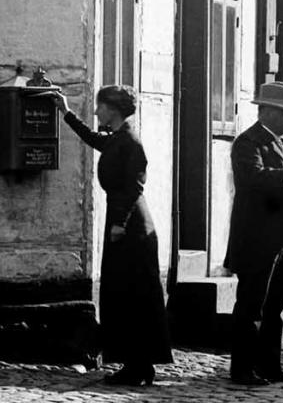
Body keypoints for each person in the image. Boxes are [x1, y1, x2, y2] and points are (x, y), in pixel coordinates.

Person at [49, 85, 172, 386]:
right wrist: (66, 112)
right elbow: (93, 139)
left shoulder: (130, 141)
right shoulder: (119, 138)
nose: (96, 111)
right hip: (125, 224)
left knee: (131, 295)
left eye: (100, 106)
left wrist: (119, 222)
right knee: (125, 294)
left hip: (130, 227)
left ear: (113, 109)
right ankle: (139, 364)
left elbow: (134, 186)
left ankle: (137, 365)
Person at [224, 82, 283, 386]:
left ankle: (269, 365)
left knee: (276, 304)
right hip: (258, 239)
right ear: (265, 111)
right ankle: (242, 370)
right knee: (252, 304)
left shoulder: (282, 143)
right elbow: (252, 179)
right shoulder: (248, 142)